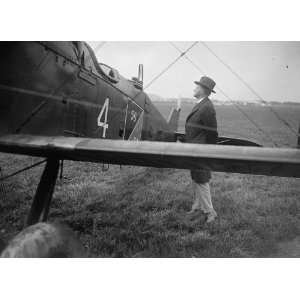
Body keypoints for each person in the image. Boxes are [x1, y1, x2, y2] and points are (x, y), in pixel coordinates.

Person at [185, 76, 218, 223]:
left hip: (200, 150)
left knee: (202, 180)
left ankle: (210, 211)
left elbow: (212, 132)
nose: (194, 88)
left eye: (197, 86)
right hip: (195, 149)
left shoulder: (206, 107)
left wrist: (207, 150)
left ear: (203, 90)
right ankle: (197, 206)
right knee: (196, 178)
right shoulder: (201, 104)